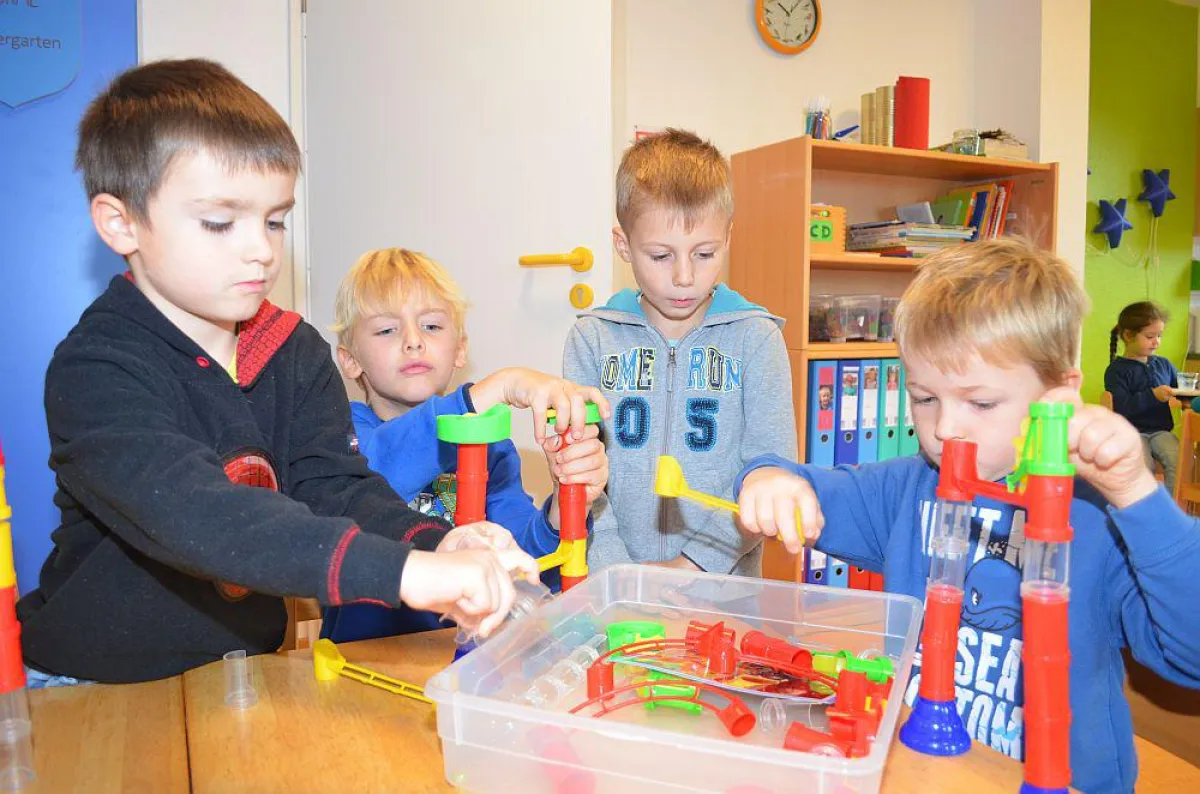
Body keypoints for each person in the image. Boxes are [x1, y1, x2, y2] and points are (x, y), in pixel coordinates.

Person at [17, 59, 535, 684]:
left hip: (239, 671)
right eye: (219, 222)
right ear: (121, 222)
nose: (261, 249)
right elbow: (199, 515)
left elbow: (337, 489)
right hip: (93, 682)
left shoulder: (293, 351)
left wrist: (435, 544)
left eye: (274, 219)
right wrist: (405, 574)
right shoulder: (97, 367)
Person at [734, 239, 1200, 794]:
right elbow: (803, 484)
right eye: (925, 398)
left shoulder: (1101, 518)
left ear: (1060, 396)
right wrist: (767, 479)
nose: (946, 427)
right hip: (925, 771)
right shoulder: (907, 488)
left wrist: (1136, 494)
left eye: (980, 403)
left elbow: (1190, 652)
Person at [320, 248, 610, 641]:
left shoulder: (488, 444)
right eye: (387, 330)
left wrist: (565, 504)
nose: (413, 342)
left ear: (460, 350)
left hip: (465, 655)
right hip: (364, 656)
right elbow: (379, 471)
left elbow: (523, 559)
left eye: (432, 327)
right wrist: (496, 387)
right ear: (350, 359)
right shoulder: (343, 432)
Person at [564, 129, 796, 577]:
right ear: (623, 246)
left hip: (724, 588)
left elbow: (769, 471)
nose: (685, 276)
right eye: (661, 256)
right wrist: (617, 573)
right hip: (611, 581)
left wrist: (691, 568)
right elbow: (579, 474)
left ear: (728, 238)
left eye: (705, 253)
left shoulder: (756, 338)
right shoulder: (592, 338)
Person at [1105, 300, 1180, 488]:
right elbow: (1122, 408)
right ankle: (1145, 512)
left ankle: (1170, 512)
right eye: (1150, 336)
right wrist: (1153, 396)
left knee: (1179, 459)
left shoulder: (1163, 364)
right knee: (1142, 467)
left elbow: (1181, 389)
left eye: (1159, 335)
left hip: (1161, 431)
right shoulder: (1116, 371)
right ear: (1129, 336)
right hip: (1132, 432)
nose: (1157, 341)